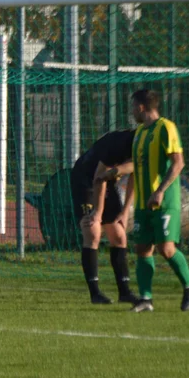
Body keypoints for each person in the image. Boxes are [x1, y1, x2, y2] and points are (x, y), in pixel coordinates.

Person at [128, 89, 189, 312]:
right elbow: (134, 168)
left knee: (166, 248)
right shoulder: (139, 133)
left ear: (141, 107)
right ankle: (146, 299)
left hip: (164, 201)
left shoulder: (166, 128)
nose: (131, 111)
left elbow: (178, 163)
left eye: (132, 106)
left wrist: (159, 191)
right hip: (142, 203)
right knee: (142, 248)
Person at [71, 129, 138, 304]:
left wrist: (124, 211)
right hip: (85, 179)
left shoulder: (144, 148)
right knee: (93, 231)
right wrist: (98, 213)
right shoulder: (118, 144)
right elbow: (99, 177)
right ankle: (95, 294)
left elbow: (134, 178)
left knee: (119, 234)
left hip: (107, 181)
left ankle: (124, 292)